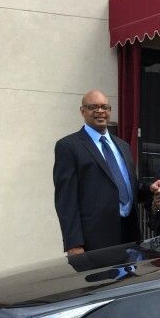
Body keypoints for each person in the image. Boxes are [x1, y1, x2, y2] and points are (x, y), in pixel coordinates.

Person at [53, 90, 139, 255]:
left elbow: (127, 186)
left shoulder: (123, 146)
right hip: (94, 241)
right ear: (82, 111)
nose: (100, 111)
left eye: (104, 107)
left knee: (129, 281)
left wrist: (151, 189)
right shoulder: (68, 146)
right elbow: (66, 201)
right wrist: (74, 243)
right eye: (93, 107)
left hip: (129, 236)